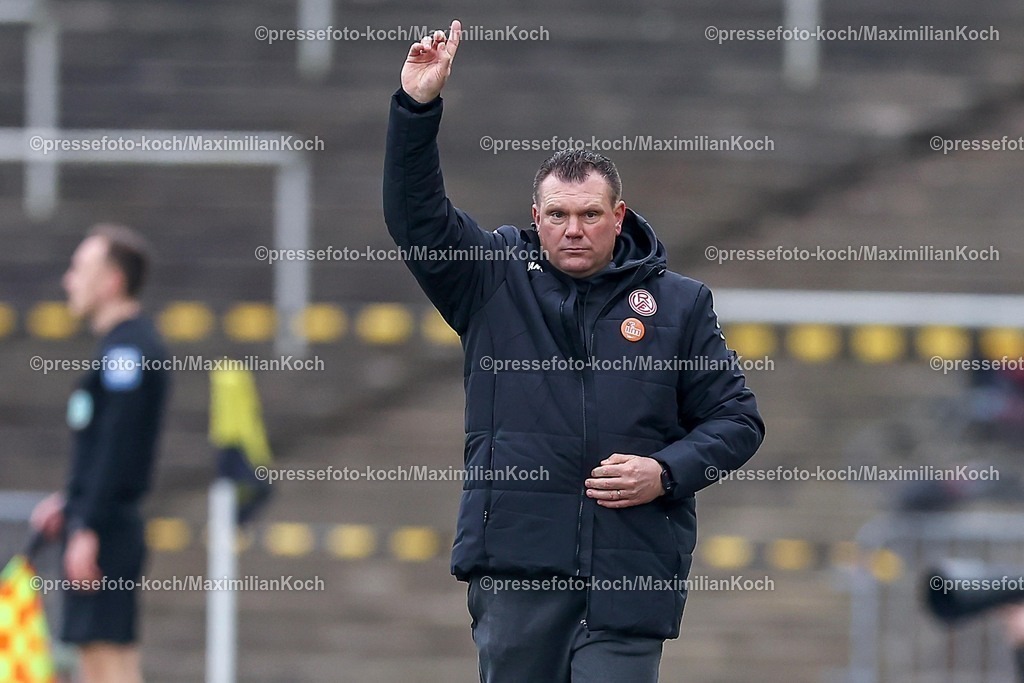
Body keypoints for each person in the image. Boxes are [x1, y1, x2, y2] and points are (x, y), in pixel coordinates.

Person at [384, 20, 765, 682]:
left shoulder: (679, 305)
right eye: (557, 215)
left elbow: (738, 420)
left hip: (629, 578)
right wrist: (416, 108)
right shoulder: (490, 279)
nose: (573, 229)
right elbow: (415, 217)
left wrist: (666, 471)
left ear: (620, 216)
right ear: (536, 216)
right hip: (518, 574)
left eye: (590, 214)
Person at [31, 224, 170, 683]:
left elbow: (118, 445)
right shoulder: (119, 349)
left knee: (107, 663)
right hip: (100, 521)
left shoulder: (127, 353)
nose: (69, 280)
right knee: (100, 659)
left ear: (111, 281)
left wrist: (88, 525)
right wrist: (70, 503)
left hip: (107, 530)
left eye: (79, 269)